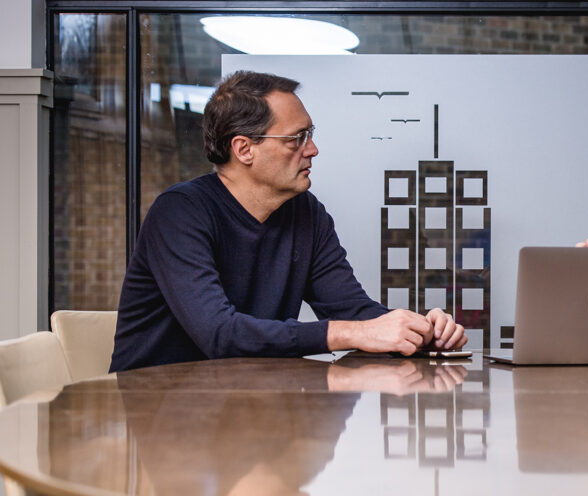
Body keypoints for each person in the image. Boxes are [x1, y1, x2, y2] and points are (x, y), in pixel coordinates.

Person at [110, 71, 467, 371]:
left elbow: (354, 312)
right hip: (157, 412)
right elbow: (219, 334)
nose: (312, 150)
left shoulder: (306, 213)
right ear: (244, 149)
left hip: (249, 410)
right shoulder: (180, 212)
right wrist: (347, 334)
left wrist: (417, 330)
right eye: (296, 138)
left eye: (310, 135)